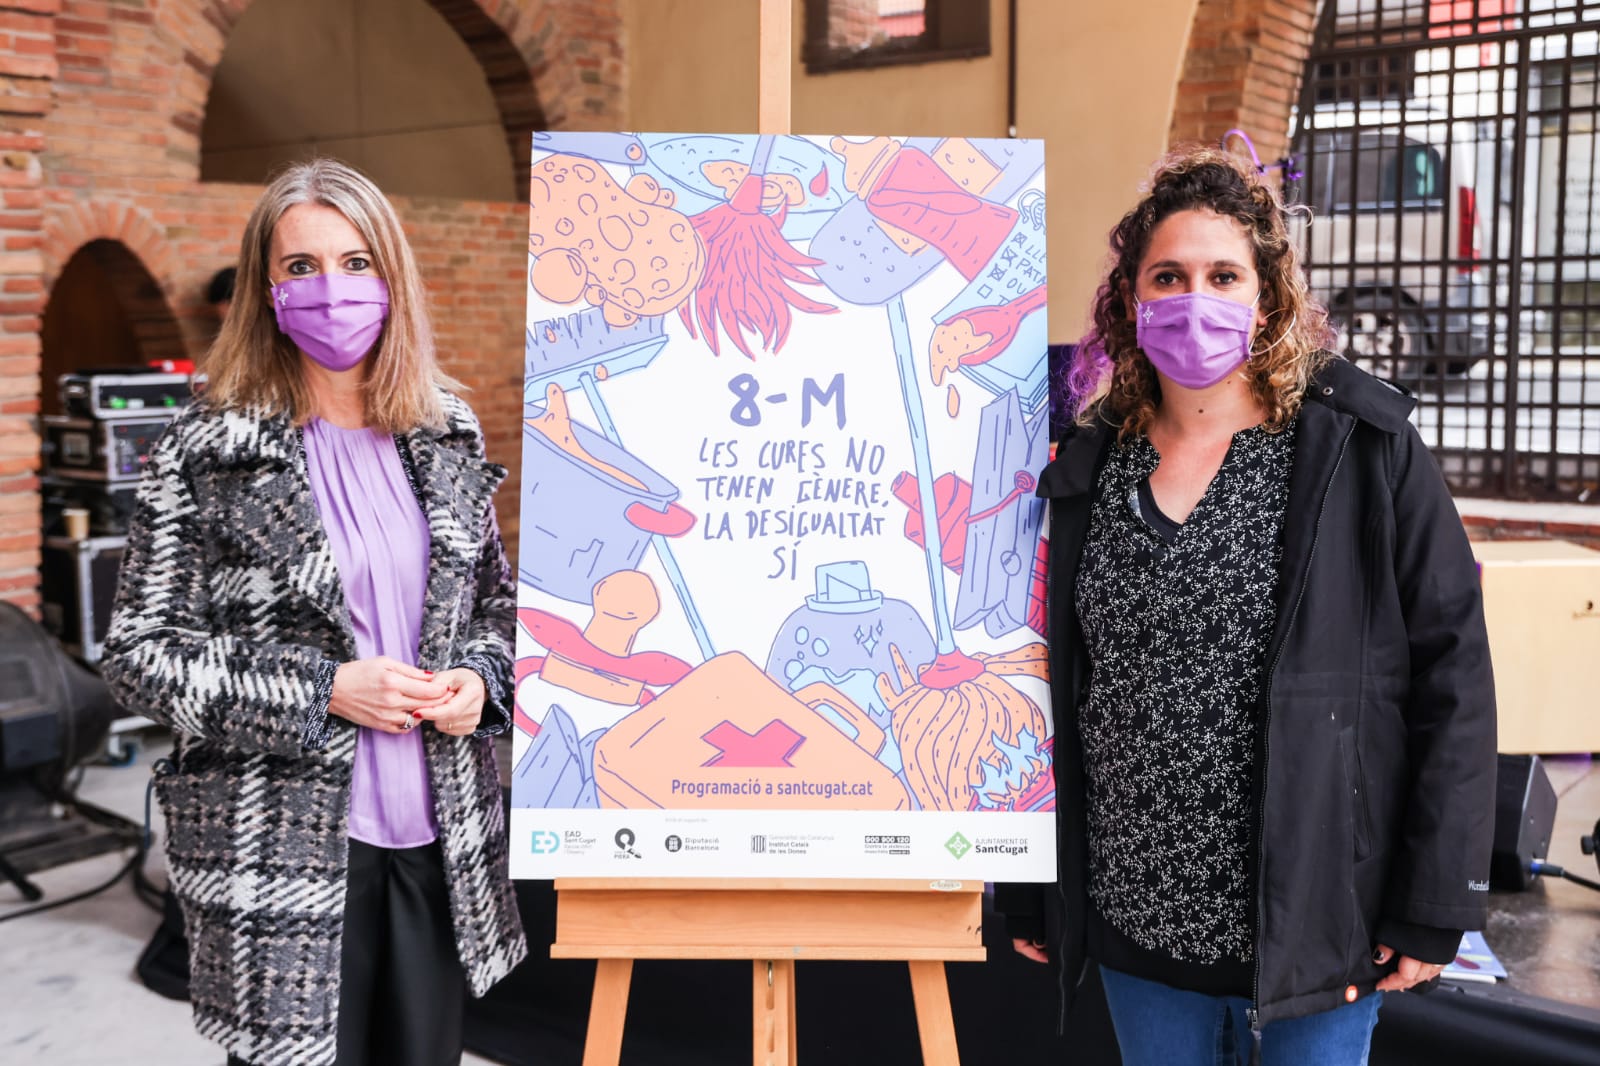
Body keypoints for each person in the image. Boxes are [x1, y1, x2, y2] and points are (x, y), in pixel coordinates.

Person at [997, 147, 1496, 1065]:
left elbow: (1452, 671)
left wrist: (1434, 904)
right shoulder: (1087, 466)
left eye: (1224, 275)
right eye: (1169, 277)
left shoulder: (1360, 447)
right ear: (1132, 302)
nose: (1197, 298)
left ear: (1266, 298)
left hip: (1318, 922)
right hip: (1135, 923)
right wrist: (1036, 885)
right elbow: (1047, 688)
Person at [103, 158, 527, 1066]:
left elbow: (495, 605)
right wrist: (322, 688)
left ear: (393, 277)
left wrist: (477, 687)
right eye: (303, 267)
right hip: (280, 848)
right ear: (268, 286)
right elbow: (138, 652)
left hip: (438, 836)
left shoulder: (446, 427)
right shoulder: (207, 446)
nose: (330, 289)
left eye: (356, 261)